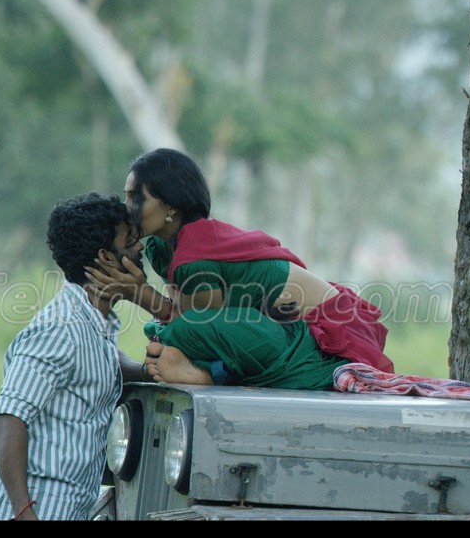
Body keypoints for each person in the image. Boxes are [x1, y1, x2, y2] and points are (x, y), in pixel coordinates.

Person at [85, 148, 394, 390]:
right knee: (162, 332)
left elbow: (198, 323)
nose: (127, 207)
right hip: (269, 325)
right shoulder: (159, 247)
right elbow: (188, 314)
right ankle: (205, 371)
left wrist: (138, 293)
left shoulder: (195, 255)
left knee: (179, 331)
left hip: (320, 336)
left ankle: (209, 377)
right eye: (126, 195)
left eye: (136, 197)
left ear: (172, 206)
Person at [0, 192, 151, 521]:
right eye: (129, 241)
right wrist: (24, 512)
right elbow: (9, 417)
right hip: (37, 508)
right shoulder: (60, 329)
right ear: (105, 257)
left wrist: (145, 371)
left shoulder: (94, 325)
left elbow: (104, 362)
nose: (139, 248)